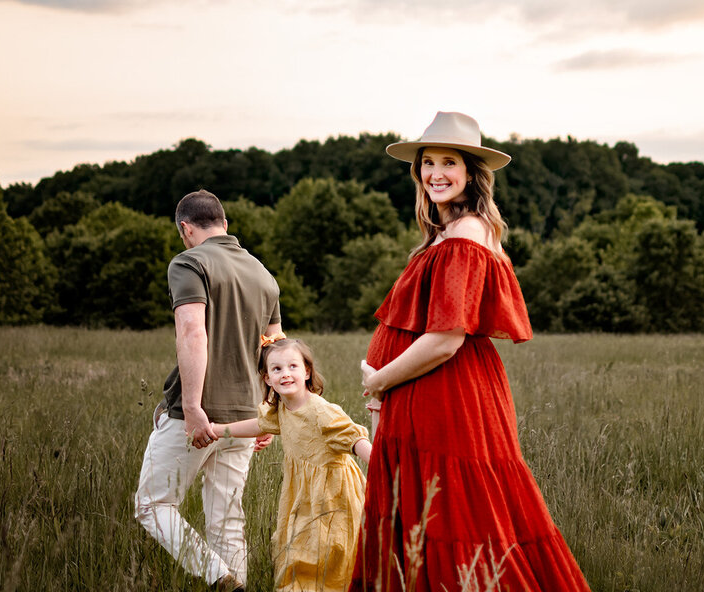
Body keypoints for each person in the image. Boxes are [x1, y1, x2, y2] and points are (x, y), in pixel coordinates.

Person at [351, 112, 591, 591]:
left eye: (449, 163)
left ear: (471, 173)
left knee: (460, 517)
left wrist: (379, 380)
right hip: (425, 397)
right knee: (432, 517)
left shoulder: (464, 236)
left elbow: (445, 340)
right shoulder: (446, 233)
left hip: (447, 397)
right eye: (428, 163)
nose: (436, 173)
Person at [134, 190, 283, 592]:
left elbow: (192, 331)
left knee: (152, 506)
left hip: (198, 414)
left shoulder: (189, 261)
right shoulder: (262, 273)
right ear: (225, 225)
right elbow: (277, 348)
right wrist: (269, 410)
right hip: (246, 417)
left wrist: (192, 406)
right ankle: (232, 582)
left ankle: (218, 577)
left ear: (186, 228)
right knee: (227, 520)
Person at [211, 336, 372, 592]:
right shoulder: (281, 410)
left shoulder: (321, 411)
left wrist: (379, 465)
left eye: (293, 367)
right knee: (297, 550)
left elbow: (355, 439)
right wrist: (218, 430)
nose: (285, 374)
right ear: (267, 379)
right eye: (277, 369)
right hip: (301, 496)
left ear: (307, 372)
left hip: (333, 497)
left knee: (330, 552)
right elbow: (258, 425)